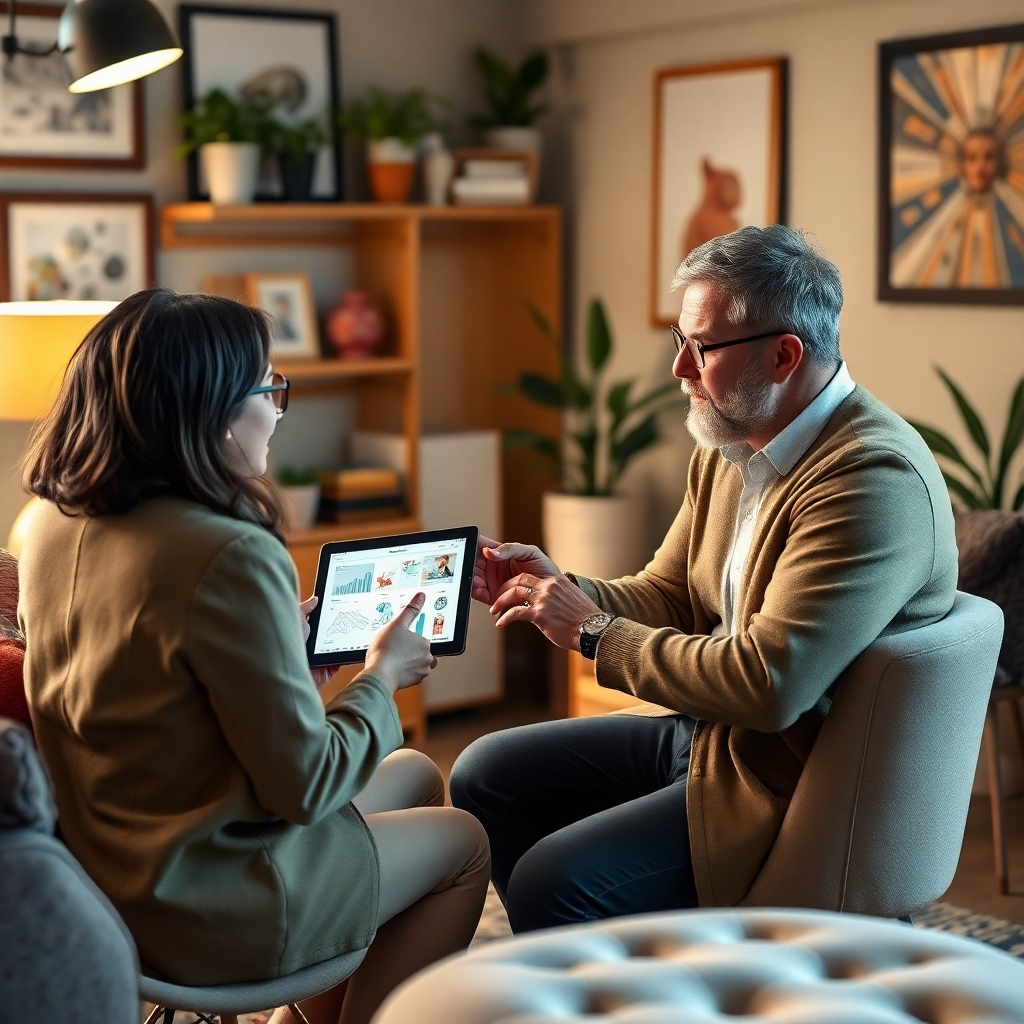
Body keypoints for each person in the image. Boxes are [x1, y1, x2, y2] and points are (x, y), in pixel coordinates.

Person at [450, 225, 957, 933]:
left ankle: (629, 982)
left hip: (783, 779)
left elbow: (770, 684)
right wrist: (558, 589)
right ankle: (604, 976)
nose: (679, 369)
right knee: (485, 774)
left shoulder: (869, 480)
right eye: (680, 342)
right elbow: (668, 596)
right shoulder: (734, 441)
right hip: (709, 738)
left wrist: (592, 631)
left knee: (551, 881)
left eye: (703, 348)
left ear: (784, 356)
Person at [18, 290, 490, 1024]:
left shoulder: (43, 523)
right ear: (210, 407)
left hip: (108, 874)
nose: (276, 409)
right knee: (462, 842)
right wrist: (382, 677)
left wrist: (286, 662)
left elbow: (155, 697)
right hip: (209, 903)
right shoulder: (230, 553)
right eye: (269, 389)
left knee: (418, 774)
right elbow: (302, 787)